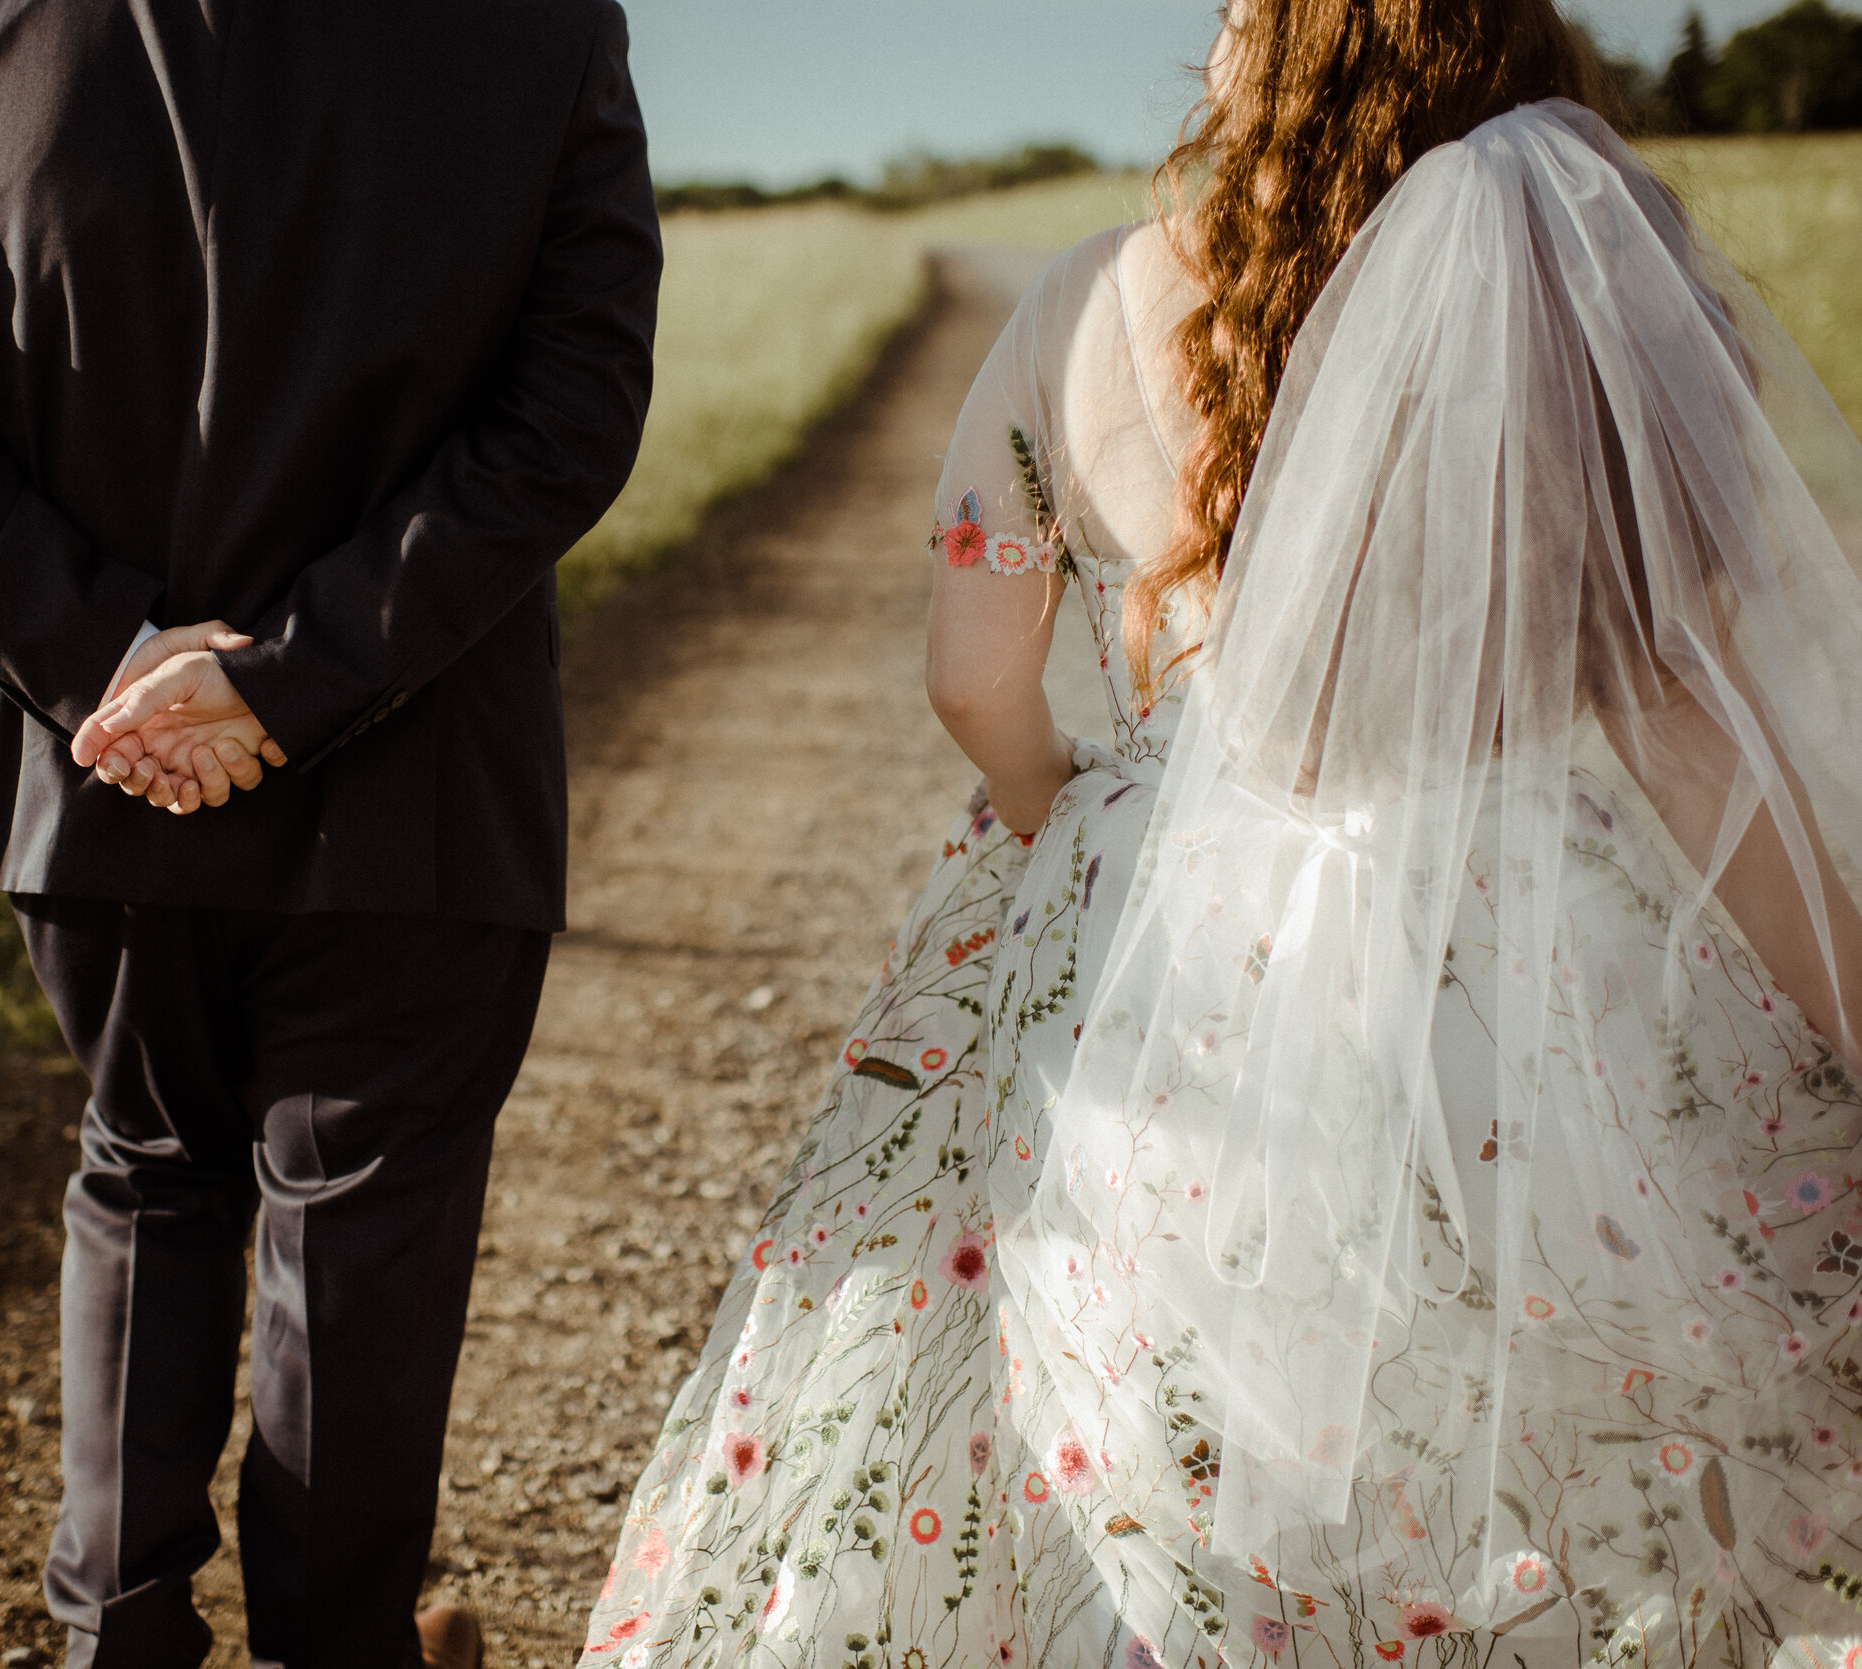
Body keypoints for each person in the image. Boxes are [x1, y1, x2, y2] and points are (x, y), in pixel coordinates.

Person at [585, 2, 1862, 1664]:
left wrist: (1083, 829)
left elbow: (972, 678)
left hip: (1152, 911)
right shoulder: (1563, 298)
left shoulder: (1084, 299)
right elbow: (1692, 728)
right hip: (1524, 931)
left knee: (1073, 1391)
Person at [0, 0, 660, 1663]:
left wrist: (103, 658)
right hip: (412, 763)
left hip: (94, 767)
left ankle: (115, 1636)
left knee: (146, 1168)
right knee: (364, 1220)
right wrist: (289, 675)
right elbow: (576, 394)